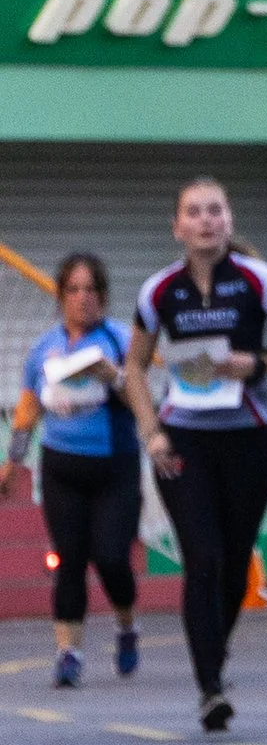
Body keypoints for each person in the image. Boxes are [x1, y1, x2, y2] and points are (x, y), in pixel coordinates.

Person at [125, 177, 267, 732]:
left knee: (234, 564)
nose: (206, 220)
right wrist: (150, 429)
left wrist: (254, 364)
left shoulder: (262, 280)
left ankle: (214, 654)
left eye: (216, 211)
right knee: (202, 556)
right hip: (184, 437)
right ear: (177, 227)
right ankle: (210, 687)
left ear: (229, 221)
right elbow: (134, 366)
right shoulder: (159, 290)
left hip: (248, 438)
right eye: (195, 212)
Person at [4, 250, 143, 688]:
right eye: (74, 290)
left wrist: (116, 379)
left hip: (114, 467)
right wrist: (13, 460)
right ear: (61, 295)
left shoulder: (120, 340)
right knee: (70, 562)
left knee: (112, 559)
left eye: (91, 290)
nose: (83, 298)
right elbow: (28, 408)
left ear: (102, 296)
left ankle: (126, 626)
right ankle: (69, 652)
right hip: (62, 467)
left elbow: (144, 403)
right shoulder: (44, 348)